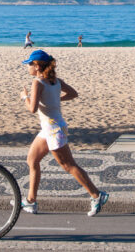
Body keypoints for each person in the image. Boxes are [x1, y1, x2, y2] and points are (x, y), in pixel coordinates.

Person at [19, 49, 109, 216]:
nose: (28, 67)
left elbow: (32, 109)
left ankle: (97, 195)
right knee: (32, 160)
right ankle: (31, 201)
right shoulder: (55, 81)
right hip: (49, 129)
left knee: (69, 165)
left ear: (37, 66)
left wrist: (25, 97)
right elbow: (73, 94)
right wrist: (55, 100)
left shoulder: (37, 83)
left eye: (30, 64)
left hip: (54, 130)